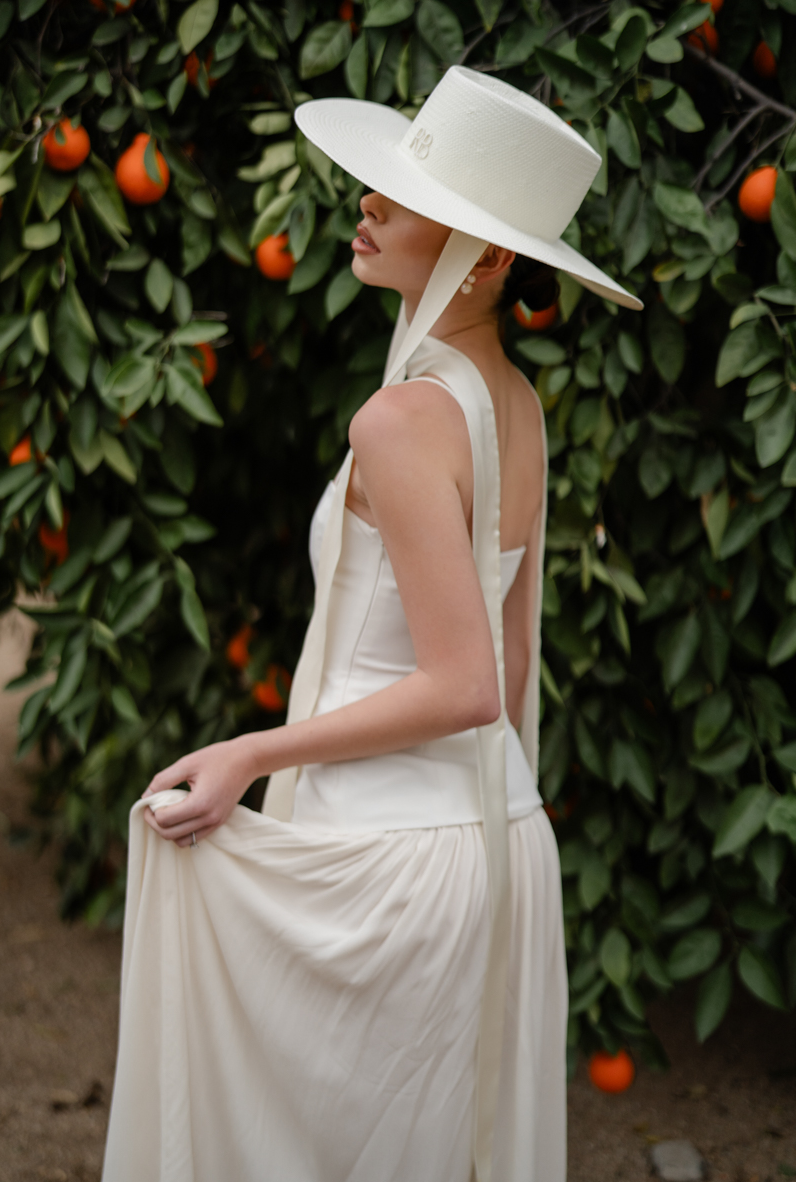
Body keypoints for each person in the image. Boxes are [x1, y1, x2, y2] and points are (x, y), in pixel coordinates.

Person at [102, 66, 642, 1182]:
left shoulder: (401, 419)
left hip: (395, 860)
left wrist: (247, 753)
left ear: (486, 259)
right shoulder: (513, 404)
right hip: (492, 847)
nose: (366, 205)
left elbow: (467, 685)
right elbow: (514, 658)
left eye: (398, 196)